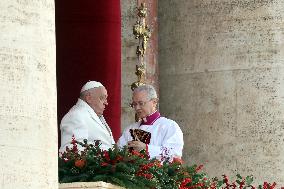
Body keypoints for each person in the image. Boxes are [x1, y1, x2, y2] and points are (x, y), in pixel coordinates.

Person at [117, 84, 184, 160]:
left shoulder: (169, 126)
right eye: (134, 104)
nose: (137, 108)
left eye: (141, 103)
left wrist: (146, 149)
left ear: (154, 102)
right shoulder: (130, 129)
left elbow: (175, 155)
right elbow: (118, 152)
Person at [59, 81, 115, 153]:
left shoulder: (96, 115)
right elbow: (72, 153)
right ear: (88, 98)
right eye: (102, 98)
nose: (106, 103)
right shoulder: (76, 116)